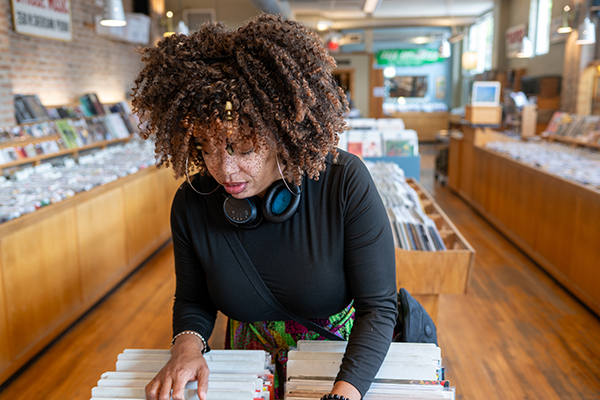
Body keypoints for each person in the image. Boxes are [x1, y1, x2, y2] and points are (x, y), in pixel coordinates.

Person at [131, 13, 398, 400]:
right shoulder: (192, 203)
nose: (224, 169)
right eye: (206, 148)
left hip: (342, 361)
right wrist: (187, 347)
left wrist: (344, 394)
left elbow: (378, 307)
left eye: (242, 148)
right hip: (246, 366)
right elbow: (194, 298)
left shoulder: (344, 181)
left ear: (280, 131)